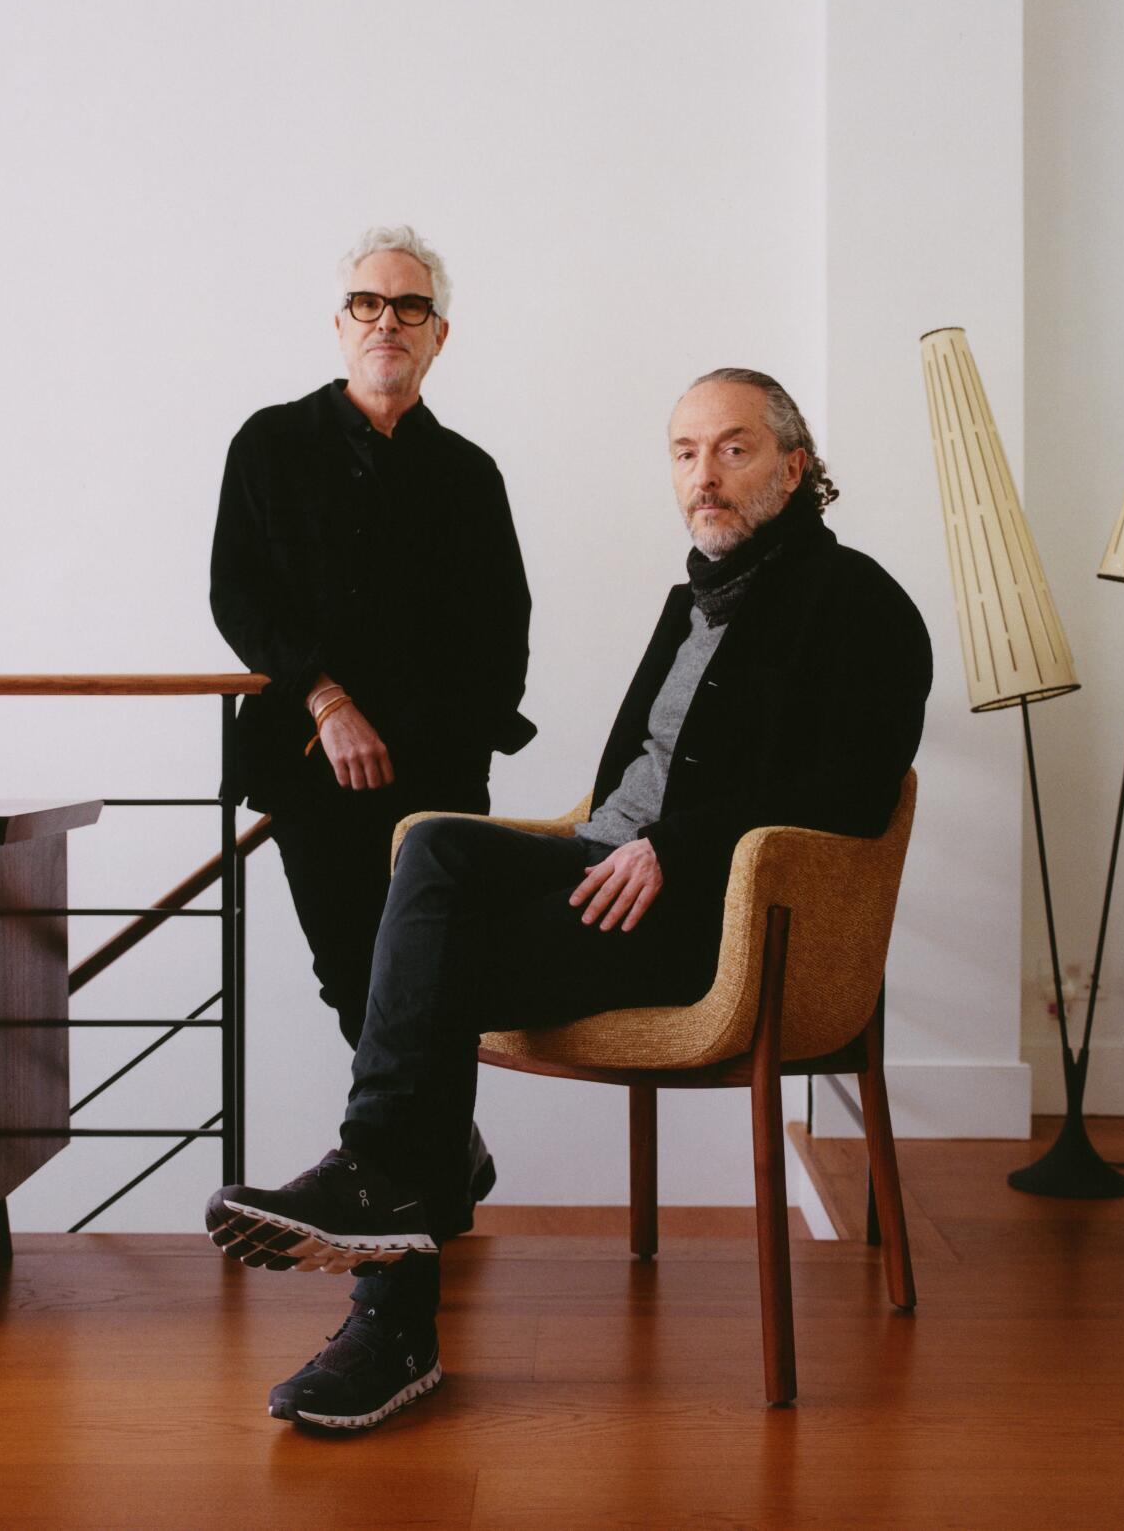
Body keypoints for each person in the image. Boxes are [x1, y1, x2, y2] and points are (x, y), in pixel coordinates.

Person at [208, 367, 932, 1433]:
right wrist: (629, 840)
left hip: (703, 917)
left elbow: (853, 784)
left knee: (421, 985)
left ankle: (390, 1305)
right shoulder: (689, 601)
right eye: (684, 452)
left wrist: (676, 849)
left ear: (798, 464)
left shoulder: (860, 603)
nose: (704, 476)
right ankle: (396, 1173)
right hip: (606, 866)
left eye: (732, 449)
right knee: (439, 850)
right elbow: (627, 776)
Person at [210, 226, 535, 1210]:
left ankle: (401, 1184)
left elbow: (503, 627)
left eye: (408, 307)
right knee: (351, 972)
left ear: (439, 335)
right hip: (308, 757)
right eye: (367, 303)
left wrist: (442, 741)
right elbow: (240, 595)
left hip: (434, 775)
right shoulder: (270, 443)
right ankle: (440, 1155)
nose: (385, 322)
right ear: (339, 322)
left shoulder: (468, 473)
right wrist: (327, 696)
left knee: (431, 980)